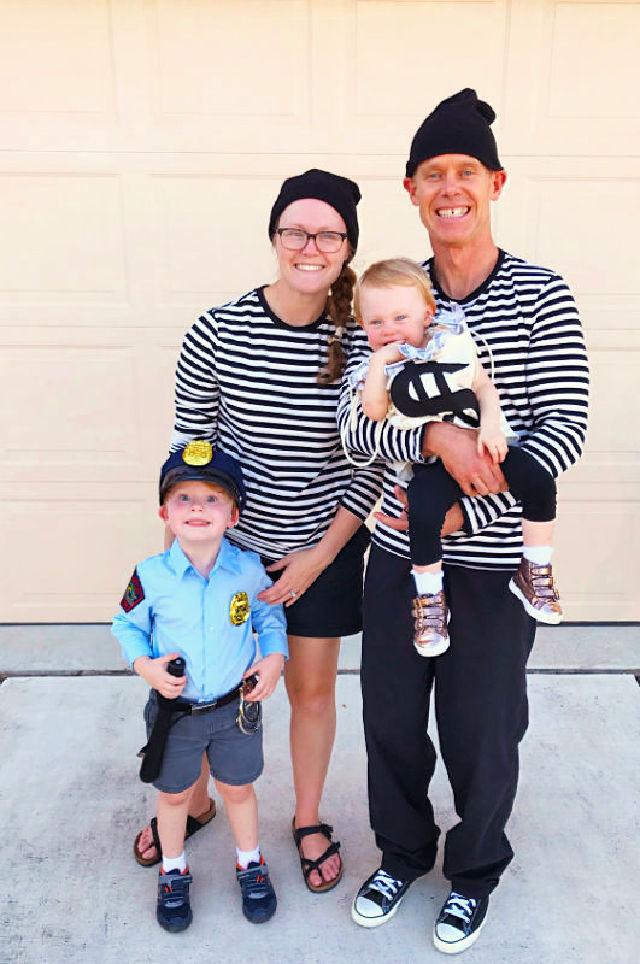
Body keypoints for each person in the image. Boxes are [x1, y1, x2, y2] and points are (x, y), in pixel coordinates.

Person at [340, 90, 589, 953]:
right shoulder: (391, 293)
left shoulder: (540, 295)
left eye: (467, 172)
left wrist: (466, 498)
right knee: (392, 721)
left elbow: (565, 426)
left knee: (485, 728)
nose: (451, 188)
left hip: (491, 568)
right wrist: (435, 434)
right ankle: (403, 852)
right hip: (396, 560)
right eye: (433, 175)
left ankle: (474, 870)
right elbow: (354, 424)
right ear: (411, 189)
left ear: (495, 182)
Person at [132, 169, 382, 892]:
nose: (311, 245)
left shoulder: (361, 342)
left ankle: (305, 817)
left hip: (324, 547)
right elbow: (190, 452)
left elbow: (371, 462)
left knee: (307, 692)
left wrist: (318, 556)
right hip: (224, 551)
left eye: (328, 233)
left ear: (346, 246)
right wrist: (193, 552)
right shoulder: (217, 330)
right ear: (275, 238)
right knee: (205, 686)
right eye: (295, 230)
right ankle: (194, 800)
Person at [112, 443, 288, 931]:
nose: (196, 508)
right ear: (164, 513)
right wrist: (145, 666)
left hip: (236, 709)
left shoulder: (248, 570)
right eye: (184, 497)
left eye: (211, 499)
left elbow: (269, 614)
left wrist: (274, 656)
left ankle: (250, 862)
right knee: (173, 796)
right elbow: (125, 625)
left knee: (238, 788)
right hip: (176, 713)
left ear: (233, 514)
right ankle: (173, 869)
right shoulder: (150, 576)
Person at [351, 257, 562, 658]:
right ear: (363, 326)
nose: (389, 330)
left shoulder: (451, 346)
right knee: (424, 513)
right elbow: (373, 414)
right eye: (375, 323)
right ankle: (429, 602)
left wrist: (492, 427)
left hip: (485, 449)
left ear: (427, 315)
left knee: (537, 479)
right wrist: (380, 363)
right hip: (428, 467)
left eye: (400, 318)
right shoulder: (373, 369)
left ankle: (535, 566)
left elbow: (484, 386)